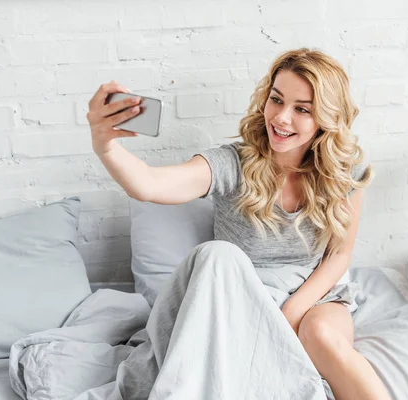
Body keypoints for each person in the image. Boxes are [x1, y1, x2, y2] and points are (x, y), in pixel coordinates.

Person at [87, 48, 391, 400]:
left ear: (325, 116)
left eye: (302, 109)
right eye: (276, 100)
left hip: (313, 293)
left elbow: (340, 254)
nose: (281, 118)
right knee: (217, 255)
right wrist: (105, 147)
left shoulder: (344, 170)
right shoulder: (232, 163)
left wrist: (291, 312)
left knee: (323, 336)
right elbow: (150, 185)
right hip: (237, 297)